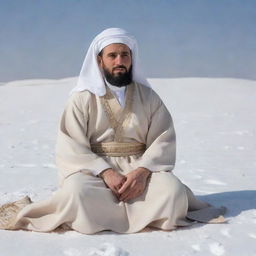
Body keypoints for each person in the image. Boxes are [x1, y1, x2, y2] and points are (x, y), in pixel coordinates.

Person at [0, 28, 225, 234]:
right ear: (99, 61)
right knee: (77, 192)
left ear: (132, 59)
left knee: (172, 190)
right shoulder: (82, 98)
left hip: (140, 171)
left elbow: (163, 139)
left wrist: (141, 172)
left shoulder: (149, 97)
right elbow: (71, 145)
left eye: (125, 55)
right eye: (112, 55)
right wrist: (105, 172)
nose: (120, 61)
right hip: (94, 173)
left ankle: (116, 213)